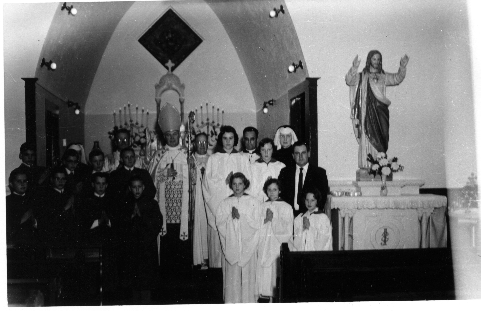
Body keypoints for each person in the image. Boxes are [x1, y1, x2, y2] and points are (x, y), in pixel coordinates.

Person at [346, 50, 409, 170]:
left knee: (382, 136)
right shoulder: (362, 76)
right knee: (367, 136)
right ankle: (368, 165)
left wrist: (402, 66)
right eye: (374, 59)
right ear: (369, 60)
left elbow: (397, 78)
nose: (376, 61)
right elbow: (349, 80)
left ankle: (381, 165)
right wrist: (354, 67)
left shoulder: (383, 76)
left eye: (378, 59)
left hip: (381, 113)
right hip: (366, 115)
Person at [147, 103, 190, 273]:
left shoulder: (187, 153)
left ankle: (183, 274)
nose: (172, 138)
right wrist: (164, 172)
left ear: (178, 134)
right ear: (164, 136)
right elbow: (150, 181)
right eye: (168, 135)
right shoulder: (159, 155)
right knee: (168, 240)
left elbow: (194, 179)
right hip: (165, 207)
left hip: (182, 205)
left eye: (174, 134)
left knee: (183, 241)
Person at [203, 125, 252, 268]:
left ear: (235, 140)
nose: (228, 142)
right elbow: (207, 184)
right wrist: (224, 182)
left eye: (231, 138)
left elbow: (248, 181)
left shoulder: (242, 158)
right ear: (221, 140)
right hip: (219, 205)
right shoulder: (213, 158)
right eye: (225, 138)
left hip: (238, 205)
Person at [216, 172, 262, 303]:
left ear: (245, 184)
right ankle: (232, 302)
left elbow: (257, 223)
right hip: (232, 244)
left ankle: (248, 302)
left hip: (248, 244)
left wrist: (241, 219)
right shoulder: (225, 203)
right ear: (231, 185)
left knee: (248, 274)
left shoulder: (253, 202)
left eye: (240, 184)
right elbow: (219, 223)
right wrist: (231, 219)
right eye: (234, 184)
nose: (237, 187)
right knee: (232, 275)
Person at [117, 175, 163, 304]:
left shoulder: (151, 203)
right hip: (131, 249)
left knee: (146, 282)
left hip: (146, 248)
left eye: (139, 187)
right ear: (130, 188)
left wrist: (142, 216)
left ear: (143, 187)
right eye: (134, 187)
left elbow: (157, 223)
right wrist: (131, 216)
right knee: (133, 282)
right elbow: (120, 225)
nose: (137, 191)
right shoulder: (126, 203)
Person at [256, 178, 293, 302]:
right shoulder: (262, 206)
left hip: (276, 243)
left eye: (275, 190)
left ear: (280, 191)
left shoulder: (286, 207)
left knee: (275, 271)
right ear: (266, 191)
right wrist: (265, 220)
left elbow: (287, 228)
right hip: (265, 243)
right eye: (269, 190)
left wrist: (273, 220)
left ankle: (275, 297)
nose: (272, 193)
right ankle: (266, 296)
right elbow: (257, 225)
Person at [278, 141, 329, 218]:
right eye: (297, 153)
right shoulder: (285, 172)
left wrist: (310, 216)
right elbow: (281, 195)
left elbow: (321, 199)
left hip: (311, 217)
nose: (300, 156)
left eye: (303, 153)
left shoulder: (319, 173)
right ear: (293, 155)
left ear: (308, 154)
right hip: (288, 216)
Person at [36, 167, 77, 247]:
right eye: (57, 179)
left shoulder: (69, 194)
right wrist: (65, 208)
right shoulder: (46, 196)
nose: (61, 181)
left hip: (70, 236)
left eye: (63, 179)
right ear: (52, 180)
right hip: (54, 237)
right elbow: (48, 219)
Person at [291, 187, 332, 251]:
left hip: (316, 255)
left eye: (312, 200)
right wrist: (302, 229)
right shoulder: (299, 218)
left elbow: (322, 243)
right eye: (307, 200)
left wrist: (310, 228)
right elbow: (296, 244)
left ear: (317, 201)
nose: (309, 203)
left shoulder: (323, 218)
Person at [191, 132, 210, 269]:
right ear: (194, 144)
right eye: (199, 142)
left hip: (208, 200)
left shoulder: (213, 159)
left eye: (204, 142)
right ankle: (197, 258)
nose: (202, 145)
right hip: (196, 199)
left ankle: (208, 258)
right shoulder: (190, 159)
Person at [6, 168, 38, 245]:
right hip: (17, 242)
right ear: (11, 184)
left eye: (25, 181)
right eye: (19, 181)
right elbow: (10, 226)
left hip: (35, 240)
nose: (23, 184)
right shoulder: (7, 201)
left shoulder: (33, 199)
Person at [250, 138, 285, 202]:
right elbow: (252, 187)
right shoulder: (253, 166)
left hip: (275, 200)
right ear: (260, 151)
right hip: (258, 200)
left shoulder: (280, 166)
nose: (266, 153)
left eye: (269, 150)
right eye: (263, 150)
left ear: (272, 150)